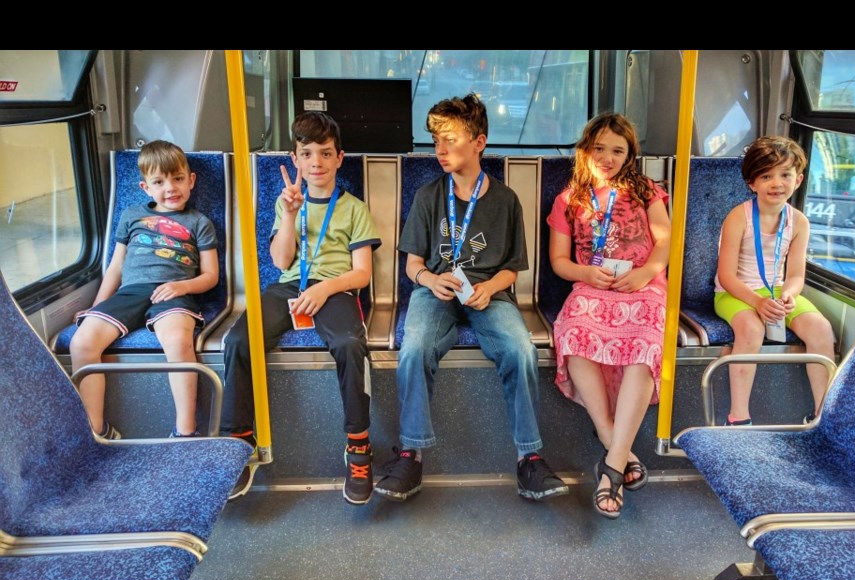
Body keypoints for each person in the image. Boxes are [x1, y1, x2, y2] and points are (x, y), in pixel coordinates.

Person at [375, 94, 568, 503]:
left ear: (479, 142)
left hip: (488, 293)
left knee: (519, 349)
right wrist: (429, 277)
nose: (439, 150)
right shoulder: (430, 196)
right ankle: (411, 453)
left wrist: (489, 288)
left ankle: (529, 458)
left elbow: (512, 268)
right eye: (435, 141)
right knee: (415, 348)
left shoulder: (505, 201)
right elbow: (411, 264)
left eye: (450, 140)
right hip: (436, 288)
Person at [221, 112, 381, 505]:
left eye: (325, 154)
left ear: (340, 158)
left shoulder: (354, 209)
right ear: (295, 160)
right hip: (289, 286)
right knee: (240, 339)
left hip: (336, 288)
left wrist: (326, 288)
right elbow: (279, 261)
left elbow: (361, 274)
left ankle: (358, 447)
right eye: (306, 154)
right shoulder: (286, 204)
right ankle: (238, 440)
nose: (316, 163)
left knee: (349, 344)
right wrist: (290, 216)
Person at [547, 114, 670, 519]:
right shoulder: (570, 200)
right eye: (599, 148)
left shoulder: (647, 191)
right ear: (585, 150)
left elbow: (664, 243)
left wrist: (645, 274)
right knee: (572, 330)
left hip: (642, 286)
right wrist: (586, 273)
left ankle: (612, 467)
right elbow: (560, 262)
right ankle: (611, 438)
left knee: (646, 342)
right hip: (592, 285)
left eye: (618, 150)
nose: (607, 157)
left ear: (630, 155)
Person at [70, 140, 218, 440]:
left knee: (178, 341)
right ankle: (96, 432)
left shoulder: (199, 222)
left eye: (177, 179)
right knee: (82, 342)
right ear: (145, 187)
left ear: (191, 180)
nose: (170, 188)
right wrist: (98, 305)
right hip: (130, 292)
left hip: (176, 292)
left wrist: (181, 286)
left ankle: (185, 431)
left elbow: (210, 275)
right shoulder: (131, 216)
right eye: (159, 182)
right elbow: (115, 267)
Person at [715, 136, 834, 427]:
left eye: (785, 175)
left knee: (821, 329)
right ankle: (738, 416)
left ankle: (822, 415)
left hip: (777, 291)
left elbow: (795, 275)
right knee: (752, 328)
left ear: (798, 180)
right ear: (752, 183)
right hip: (736, 293)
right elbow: (726, 275)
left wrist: (789, 296)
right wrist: (757, 302)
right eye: (766, 176)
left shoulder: (799, 222)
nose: (776, 183)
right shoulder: (738, 217)